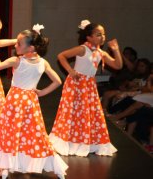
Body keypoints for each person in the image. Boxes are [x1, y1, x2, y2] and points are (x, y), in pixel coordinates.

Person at [0, 24, 68, 179]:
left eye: (19, 43)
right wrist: (41, 92)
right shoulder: (43, 63)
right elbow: (57, 81)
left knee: (10, 133)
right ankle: (56, 169)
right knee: (36, 134)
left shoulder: (17, 61)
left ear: (31, 48)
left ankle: (6, 167)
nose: (15, 45)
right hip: (30, 102)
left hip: (15, 102)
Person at [49, 20, 123, 157]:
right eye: (98, 34)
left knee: (88, 114)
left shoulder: (100, 52)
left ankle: (86, 141)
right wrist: (70, 70)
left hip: (89, 85)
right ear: (89, 37)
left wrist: (116, 50)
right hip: (77, 84)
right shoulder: (83, 49)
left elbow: (118, 65)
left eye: (103, 34)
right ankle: (70, 140)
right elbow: (61, 56)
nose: (102, 37)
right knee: (73, 113)